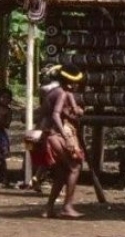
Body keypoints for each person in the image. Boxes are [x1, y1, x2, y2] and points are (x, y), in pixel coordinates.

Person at [31, 64, 85, 218]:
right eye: (75, 83)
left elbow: (58, 113)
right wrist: (66, 137)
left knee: (62, 172)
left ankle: (48, 208)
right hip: (53, 135)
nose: (76, 86)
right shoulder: (61, 93)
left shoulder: (54, 92)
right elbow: (55, 115)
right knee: (75, 166)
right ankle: (67, 206)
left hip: (45, 134)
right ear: (69, 82)